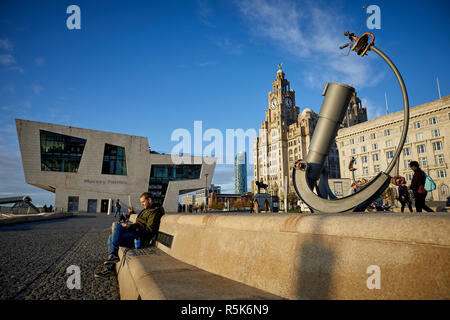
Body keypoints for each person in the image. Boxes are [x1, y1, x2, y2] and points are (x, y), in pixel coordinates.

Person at [94, 192, 165, 278]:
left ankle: (111, 264)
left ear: (149, 200)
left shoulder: (155, 212)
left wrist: (131, 227)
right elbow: (140, 221)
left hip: (140, 238)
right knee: (113, 234)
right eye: (141, 202)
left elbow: (148, 230)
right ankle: (112, 260)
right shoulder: (146, 210)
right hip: (135, 233)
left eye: (143, 202)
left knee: (114, 233)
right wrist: (132, 215)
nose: (142, 204)